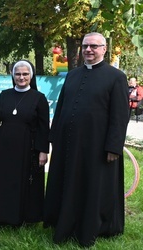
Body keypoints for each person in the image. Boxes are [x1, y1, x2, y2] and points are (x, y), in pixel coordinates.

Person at [43, 32, 129, 247]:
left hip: (97, 146)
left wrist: (113, 146)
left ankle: (92, 225)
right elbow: (61, 106)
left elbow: (120, 115)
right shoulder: (72, 75)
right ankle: (65, 221)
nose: (88, 50)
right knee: (67, 182)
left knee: (93, 186)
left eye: (94, 46)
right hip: (69, 144)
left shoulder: (116, 77)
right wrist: (54, 137)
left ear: (104, 49)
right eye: (85, 46)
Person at [0, 60, 49, 227]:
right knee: (3, 180)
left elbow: (43, 128)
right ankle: (1, 216)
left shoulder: (39, 98)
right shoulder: (4, 95)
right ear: (13, 75)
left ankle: (25, 217)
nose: (21, 77)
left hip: (28, 148)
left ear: (31, 76)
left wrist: (43, 151)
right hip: (4, 146)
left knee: (25, 181)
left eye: (25, 74)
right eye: (18, 74)